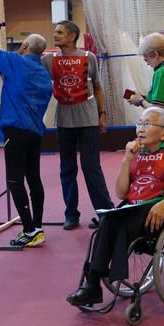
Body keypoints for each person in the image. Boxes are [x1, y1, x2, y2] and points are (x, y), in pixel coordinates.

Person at [66, 106, 164, 307]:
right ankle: (92, 283)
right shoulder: (137, 152)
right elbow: (121, 193)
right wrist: (127, 159)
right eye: (139, 123)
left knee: (119, 222)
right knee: (107, 220)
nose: (141, 128)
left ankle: (99, 282)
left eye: (147, 124)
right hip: (134, 207)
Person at [0, 20, 53, 248]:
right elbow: (24, 91)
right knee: (34, 179)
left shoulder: (15, 62)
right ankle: (37, 227)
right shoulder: (43, 74)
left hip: (16, 130)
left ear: (25, 46)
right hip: (34, 133)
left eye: (22, 44)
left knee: (14, 180)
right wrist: (8, 77)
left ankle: (29, 230)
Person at [43, 20, 114, 231]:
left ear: (72, 36)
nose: (55, 35)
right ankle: (71, 214)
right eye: (55, 32)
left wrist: (103, 114)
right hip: (64, 121)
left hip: (88, 120)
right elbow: (28, 70)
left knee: (91, 167)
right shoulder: (48, 60)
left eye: (59, 32)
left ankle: (105, 213)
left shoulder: (88, 57)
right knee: (67, 169)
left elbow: (98, 88)